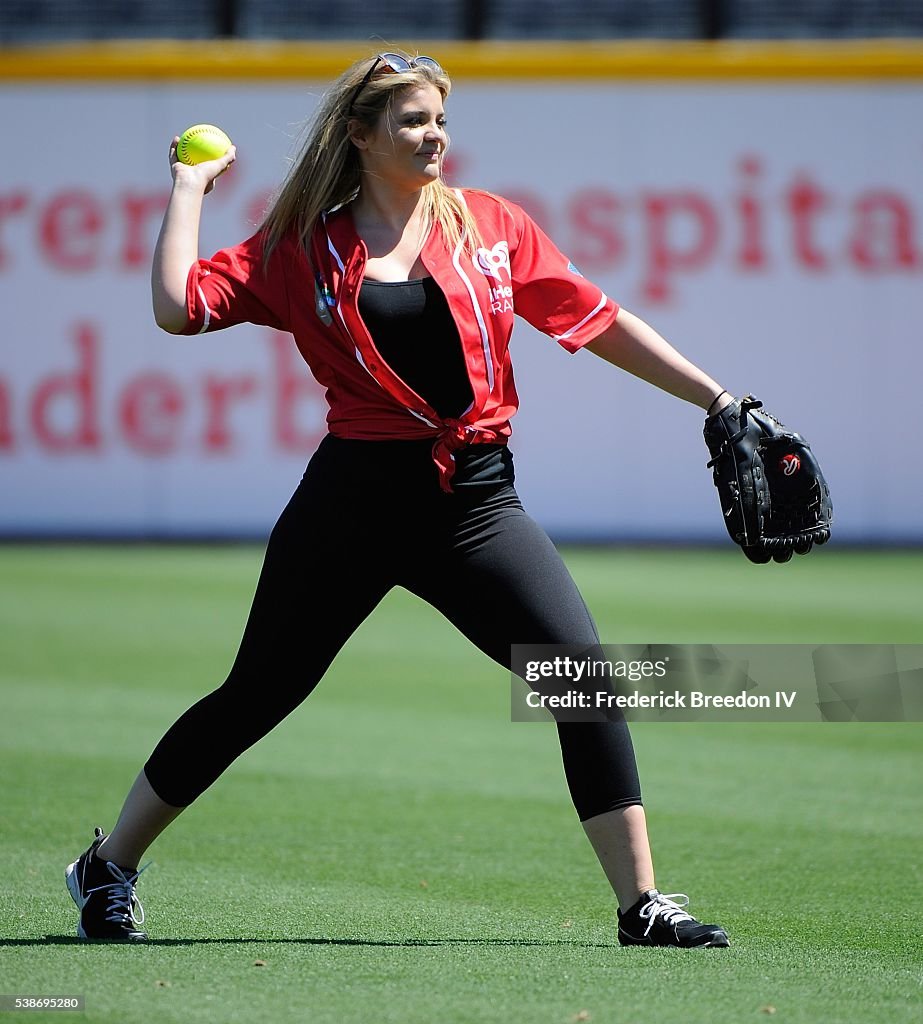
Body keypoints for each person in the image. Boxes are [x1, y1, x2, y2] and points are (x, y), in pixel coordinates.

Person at [66, 51, 732, 948]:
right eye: (413, 120)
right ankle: (108, 867)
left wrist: (718, 400)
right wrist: (188, 188)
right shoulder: (304, 244)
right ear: (359, 134)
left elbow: (599, 319)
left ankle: (641, 905)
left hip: (475, 504)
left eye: (440, 120)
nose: (434, 137)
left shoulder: (490, 225)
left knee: (581, 681)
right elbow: (178, 307)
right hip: (353, 504)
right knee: (259, 693)